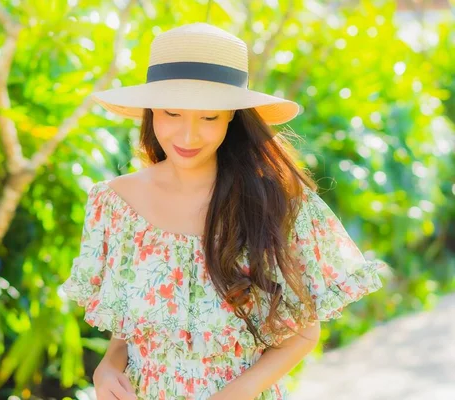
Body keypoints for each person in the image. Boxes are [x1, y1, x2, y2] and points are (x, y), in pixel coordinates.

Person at [61, 22, 387, 400]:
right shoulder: (114, 205)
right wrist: (108, 368)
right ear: (150, 111)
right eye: (172, 114)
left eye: (209, 117)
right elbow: (128, 331)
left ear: (233, 114)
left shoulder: (274, 202)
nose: (187, 136)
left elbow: (303, 332)